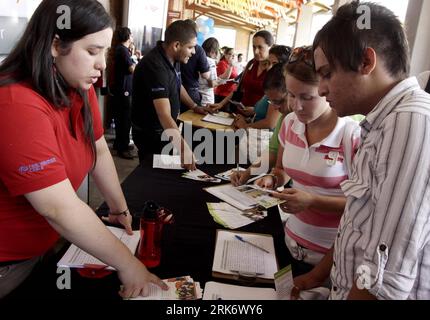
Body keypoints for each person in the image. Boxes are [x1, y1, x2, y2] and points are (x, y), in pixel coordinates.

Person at [0, 0, 167, 299]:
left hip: (49, 246)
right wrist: (127, 265)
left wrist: (119, 209)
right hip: (10, 266)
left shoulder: (79, 88)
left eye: (104, 50)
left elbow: (99, 149)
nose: (102, 63)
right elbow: (57, 206)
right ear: (55, 45)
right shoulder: (16, 104)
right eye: (92, 51)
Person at [294, 1, 430, 300]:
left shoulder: (410, 122)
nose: (322, 89)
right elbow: (357, 223)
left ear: (366, 62)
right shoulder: (381, 123)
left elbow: (384, 279)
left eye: (327, 73)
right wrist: (317, 275)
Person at [254, 46, 361, 277]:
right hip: (289, 241)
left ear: (326, 90)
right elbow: (281, 170)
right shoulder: (290, 123)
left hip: (329, 259)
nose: (296, 106)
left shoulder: (351, 134)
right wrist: (272, 179)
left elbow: (362, 206)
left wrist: (311, 201)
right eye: (291, 95)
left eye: (307, 97)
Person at [132, 20, 209, 169]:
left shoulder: (174, 58)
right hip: (151, 134)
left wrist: (194, 106)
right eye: (191, 47)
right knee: (152, 175)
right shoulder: (155, 66)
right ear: (176, 45)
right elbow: (164, 114)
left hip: (163, 131)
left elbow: (176, 85)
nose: (193, 52)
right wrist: (183, 149)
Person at [230, 63, 292, 186]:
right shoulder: (285, 119)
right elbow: (272, 153)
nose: (275, 107)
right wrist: (247, 174)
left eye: (279, 101)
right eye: (271, 102)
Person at [210, 30, 274, 112]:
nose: (256, 51)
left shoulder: (274, 69)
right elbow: (238, 89)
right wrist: (221, 104)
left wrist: (255, 110)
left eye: (260, 47)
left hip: (259, 117)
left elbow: (274, 100)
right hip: (241, 113)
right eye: (254, 47)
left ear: (270, 47)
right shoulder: (251, 63)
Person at [233, 45, 292, 130]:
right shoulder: (271, 84)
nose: (269, 67)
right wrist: (254, 110)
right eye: (268, 63)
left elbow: (270, 123)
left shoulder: (278, 89)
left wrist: (245, 126)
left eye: (274, 63)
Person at [109, 27, 136, 159]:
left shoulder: (122, 50)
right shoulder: (123, 50)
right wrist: (136, 61)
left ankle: (119, 143)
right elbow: (131, 69)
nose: (132, 37)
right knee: (124, 119)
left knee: (122, 118)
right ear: (127, 36)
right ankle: (122, 148)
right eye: (131, 35)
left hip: (122, 89)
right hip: (123, 90)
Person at [180, 20, 211, 112]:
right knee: (188, 123)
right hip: (190, 90)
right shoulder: (198, 50)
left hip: (176, 90)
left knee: (176, 119)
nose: (192, 51)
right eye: (190, 48)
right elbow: (206, 75)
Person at [199, 37, 220, 106]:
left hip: (195, 95)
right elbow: (212, 84)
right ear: (213, 51)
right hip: (206, 98)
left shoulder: (198, 58)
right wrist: (219, 82)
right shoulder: (210, 61)